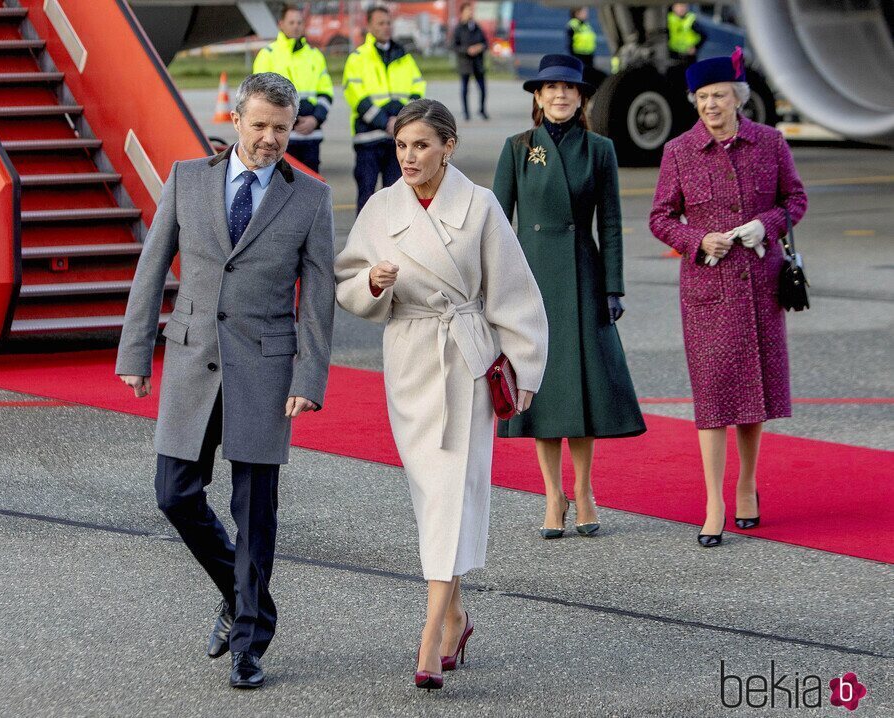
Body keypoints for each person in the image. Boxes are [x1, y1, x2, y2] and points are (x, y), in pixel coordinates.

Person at [116, 72, 335, 687]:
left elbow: (318, 300)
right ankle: (246, 599)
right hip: (191, 361)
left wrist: (310, 376)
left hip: (266, 368)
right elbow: (151, 266)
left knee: (254, 511)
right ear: (237, 120)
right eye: (260, 125)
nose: (270, 139)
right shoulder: (188, 179)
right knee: (174, 494)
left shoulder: (311, 199)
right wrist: (135, 353)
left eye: (282, 129)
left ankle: (249, 643)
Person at [335, 99, 548, 691]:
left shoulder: (479, 207)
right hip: (408, 361)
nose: (409, 157)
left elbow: (515, 292)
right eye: (402, 146)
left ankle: (430, 635)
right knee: (431, 493)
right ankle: (456, 613)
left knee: (451, 491)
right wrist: (371, 284)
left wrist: (525, 369)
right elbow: (346, 280)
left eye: (421, 145)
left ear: (448, 147)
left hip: (466, 363)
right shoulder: (380, 207)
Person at [649, 50, 807, 547]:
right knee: (715, 394)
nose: (710, 105)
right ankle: (714, 501)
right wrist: (697, 240)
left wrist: (768, 224)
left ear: (738, 97)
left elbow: (795, 200)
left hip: (759, 284)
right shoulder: (678, 151)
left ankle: (746, 484)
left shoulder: (770, 143)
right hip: (708, 290)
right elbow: (660, 217)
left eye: (719, 95)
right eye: (702, 97)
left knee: (754, 394)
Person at [493, 54, 646, 540]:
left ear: (581, 97)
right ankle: (551, 496)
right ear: (537, 97)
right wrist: (493, 290)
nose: (560, 95)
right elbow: (496, 225)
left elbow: (613, 224)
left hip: (582, 274)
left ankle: (583, 491)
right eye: (551, 88)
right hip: (531, 278)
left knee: (579, 389)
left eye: (570, 88)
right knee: (541, 389)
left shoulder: (599, 149)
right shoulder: (517, 148)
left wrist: (613, 285)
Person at [342, 5, 426, 213]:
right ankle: (363, 243)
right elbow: (356, 95)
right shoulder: (357, 58)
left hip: (398, 141)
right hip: (368, 139)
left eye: (389, 23)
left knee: (398, 196)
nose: (386, 27)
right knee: (367, 196)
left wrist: (402, 122)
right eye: (381, 23)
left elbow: (417, 89)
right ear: (369, 26)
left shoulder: (404, 57)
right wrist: (385, 122)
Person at [252, 4, 333, 173]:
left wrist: (315, 119)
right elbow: (261, 96)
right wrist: (292, 121)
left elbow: (326, 93)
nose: (296, 26)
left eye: (299, 22)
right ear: (281, 24)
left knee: (310, 189)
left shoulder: (315, 55)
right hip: (279, 137)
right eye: (291, 22)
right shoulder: (267, 55)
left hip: (311, 135)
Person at [452, 2, 489, 122]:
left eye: (471, 11)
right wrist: (467, 50)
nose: (470, 13)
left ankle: (482, 110)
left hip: (478, 63)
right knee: (464, 89)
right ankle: (466, 112)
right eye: (468, 11)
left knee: (483, 88)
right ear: (462, 12)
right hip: (465, 63)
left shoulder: (477, 27)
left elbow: (485, 43)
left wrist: (480, 47)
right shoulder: (458, 29)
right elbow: (454, 46)